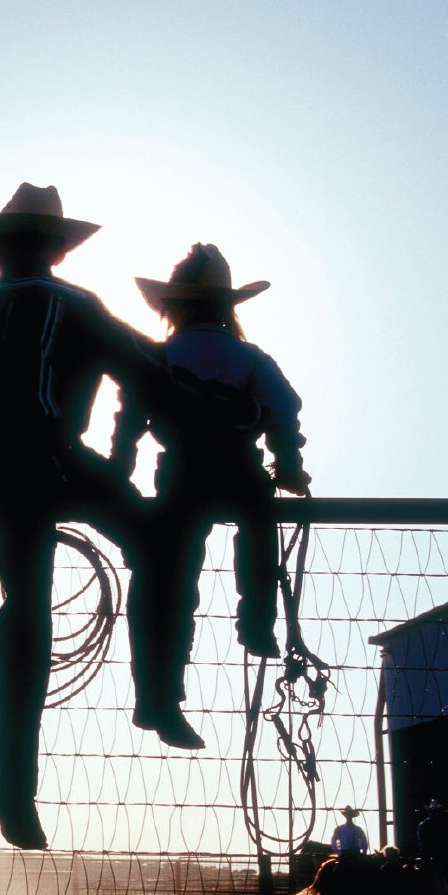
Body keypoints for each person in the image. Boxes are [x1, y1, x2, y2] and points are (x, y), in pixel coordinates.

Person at [0, 183, 164, 852]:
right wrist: (120, 454)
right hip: (58, 460)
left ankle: (13, 792)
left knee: (23, 612)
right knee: (155, 546)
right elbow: (149, 369)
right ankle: (154, 694)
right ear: (56, 248)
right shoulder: (75, 304)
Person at [128, 243, 311, 726]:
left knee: (171, 580)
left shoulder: (160, 355)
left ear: (175, 305)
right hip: (238, 466)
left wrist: (119, 464)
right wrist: (288, 464)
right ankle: (256, 621)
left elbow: (132, 414)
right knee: (257, 530)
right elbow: (282, 411)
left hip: (181, 472)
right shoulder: (249, 356)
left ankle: (162, 692)